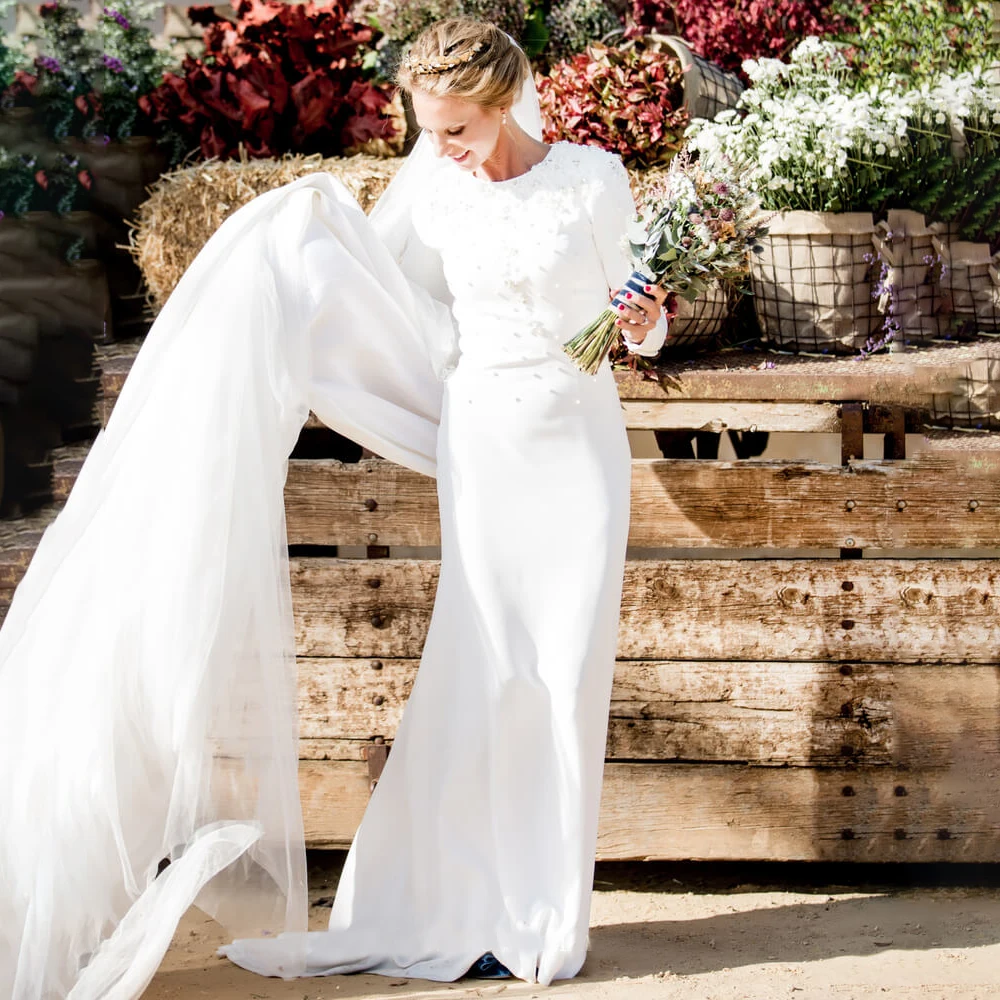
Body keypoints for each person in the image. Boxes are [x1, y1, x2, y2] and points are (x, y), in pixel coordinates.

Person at [0, 17, 666, 999]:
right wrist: (286, 257)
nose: (441, 149)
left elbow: (633, 311)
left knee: (565, 675)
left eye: (458, 130)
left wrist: (646, 321)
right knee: (483, 674)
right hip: (484, 447)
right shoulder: (434, 191)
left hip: (577, 452)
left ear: (504, 103)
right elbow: (382, 294)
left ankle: (544, 924)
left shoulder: (592, 180)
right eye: (429, 129)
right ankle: (458, 903)